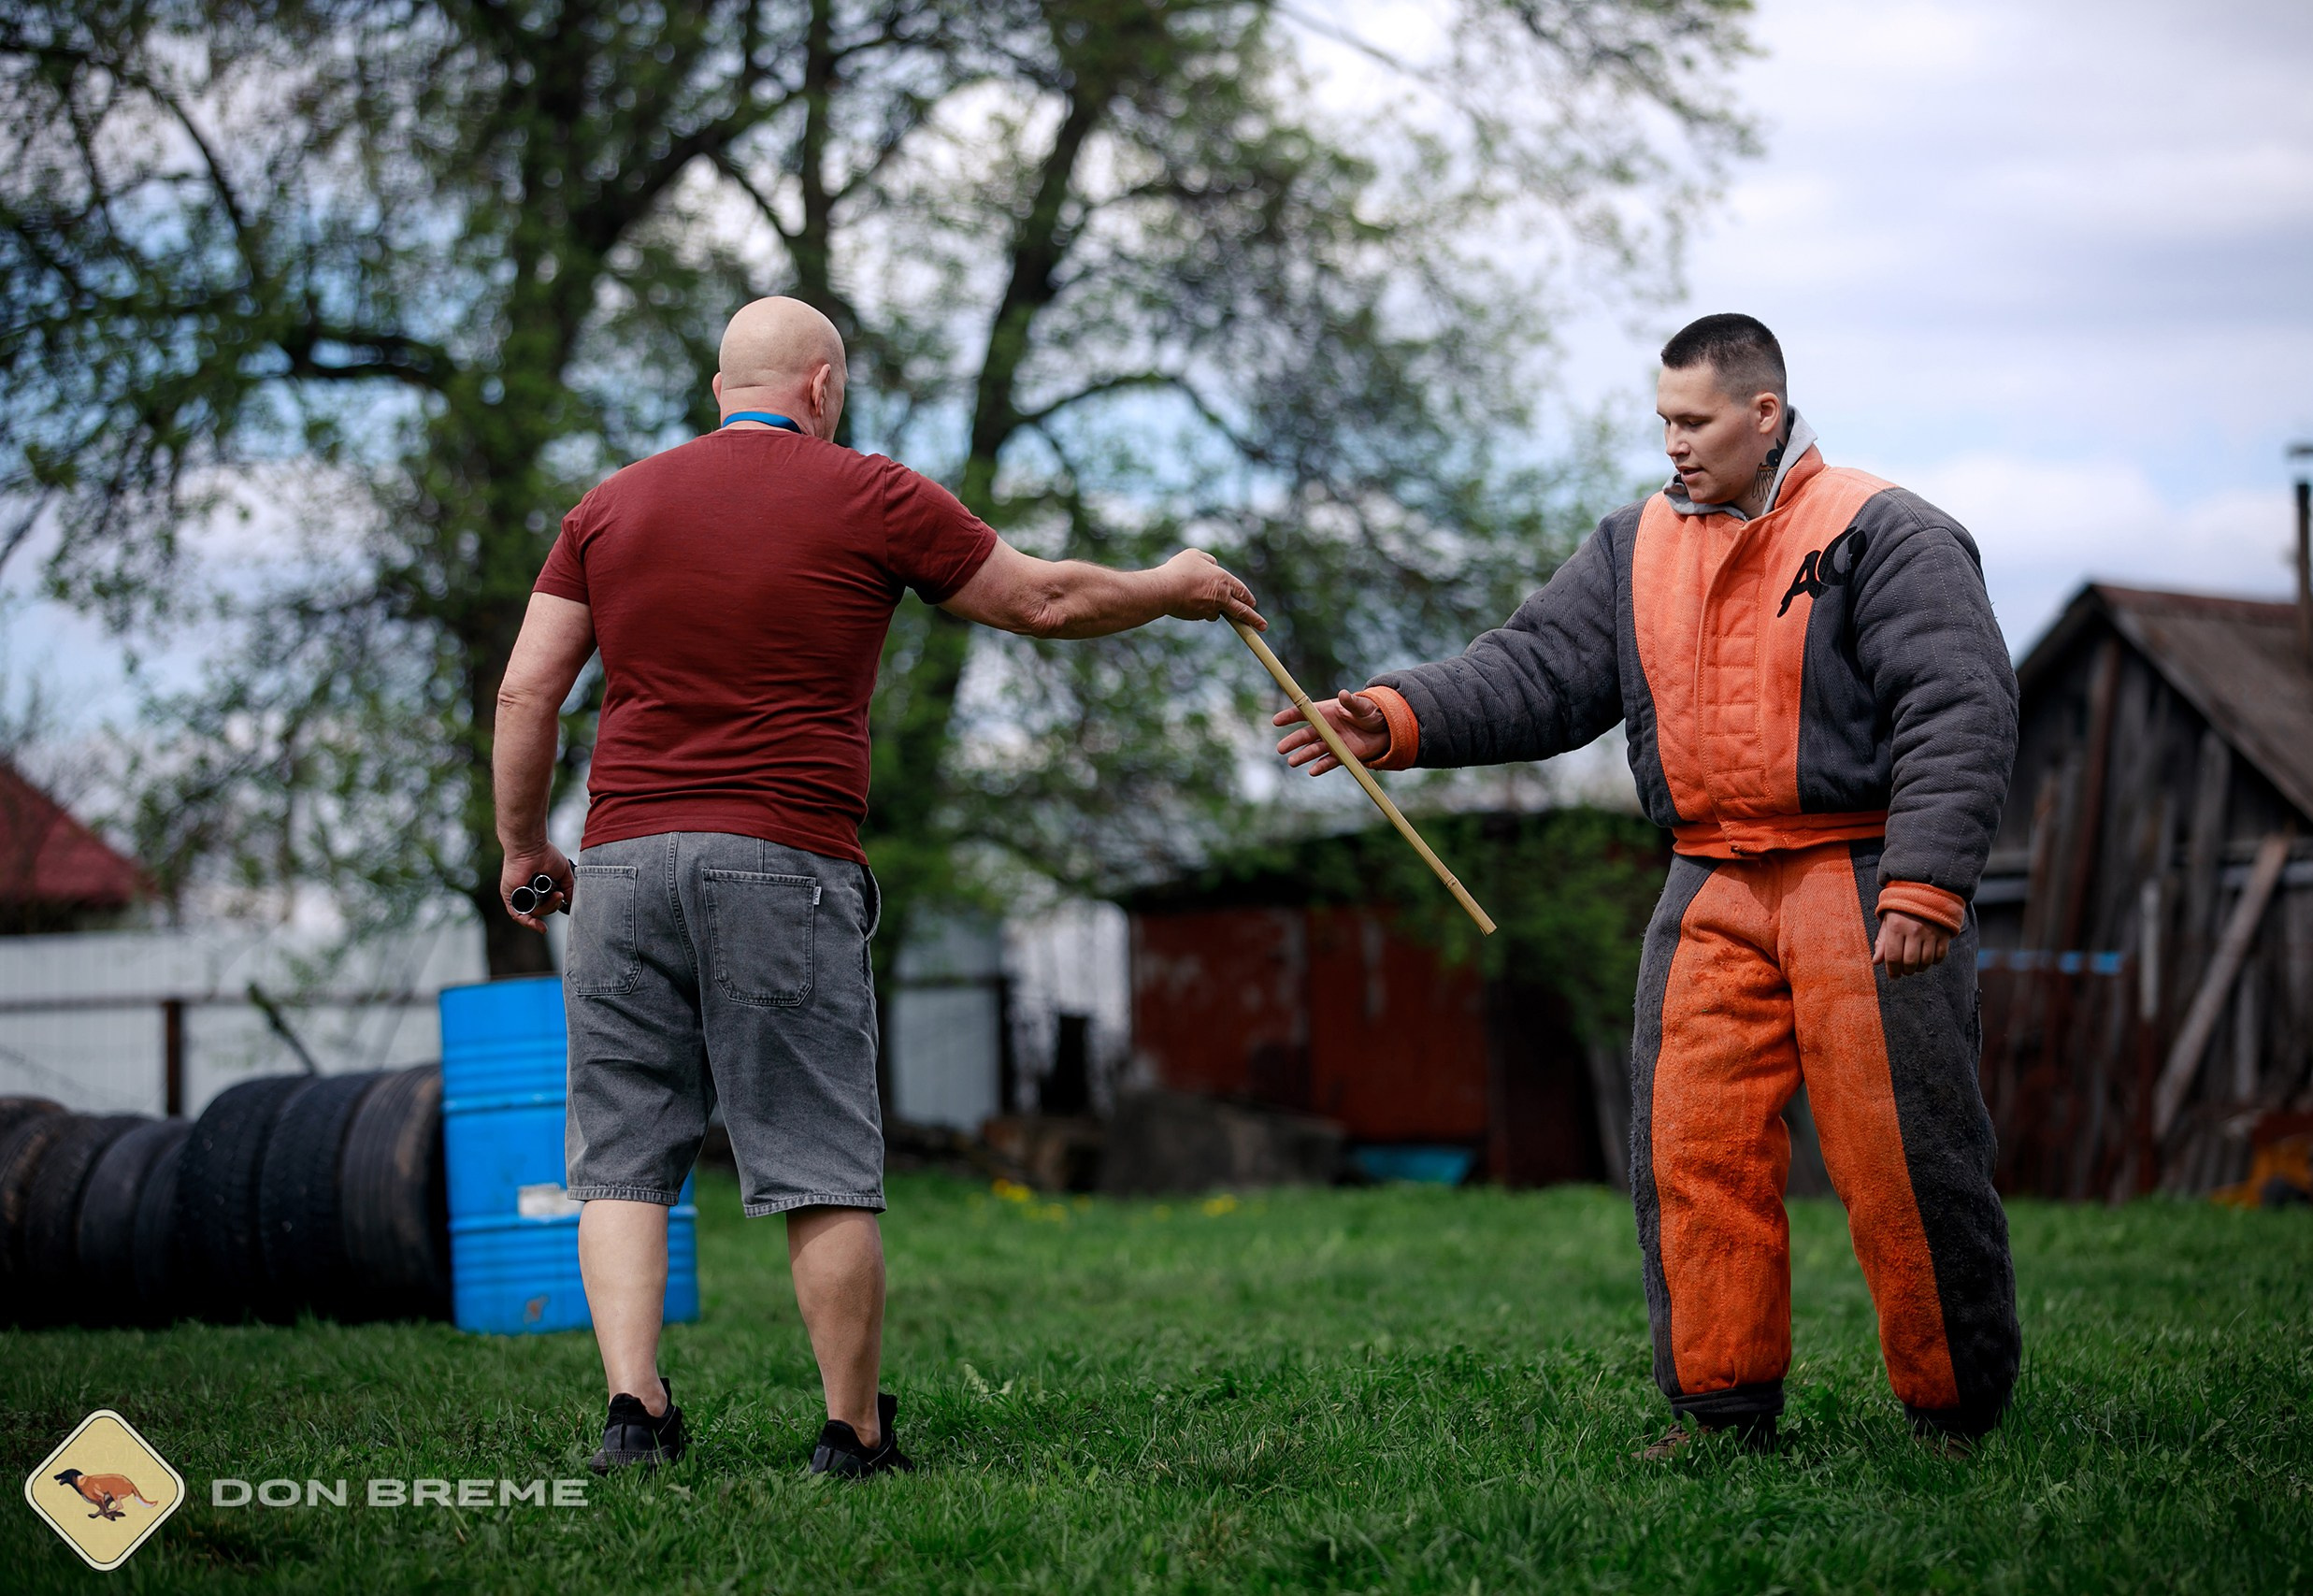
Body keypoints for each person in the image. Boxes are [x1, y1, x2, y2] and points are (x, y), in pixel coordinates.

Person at [493, 295, 1264, 1478]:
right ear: (821, 387)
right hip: (779, 860)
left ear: (719, 391)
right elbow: (1041, 600)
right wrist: (1171, 584)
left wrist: (522, 847)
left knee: (623, 1155)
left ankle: (633, 1415)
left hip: (625, 862)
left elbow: (525, 693)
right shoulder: (870, 493)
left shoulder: (607, 507)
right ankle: (851, 1434)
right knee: (818, 1161)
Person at [1273, 313, 2021, 1456]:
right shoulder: (1632, 546)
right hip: (1708, 880)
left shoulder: (1887, 532)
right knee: (1691, 1150)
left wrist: (1924, 884)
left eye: (1694, 421)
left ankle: (1953, 1413)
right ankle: (1720, 1414)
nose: (1672, 443)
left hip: (1861, 874)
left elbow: (1958, 706)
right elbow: (1536, 669)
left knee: (1904, 1161)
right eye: (1662, 420)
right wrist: (1396, 714)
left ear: (1763, 414)